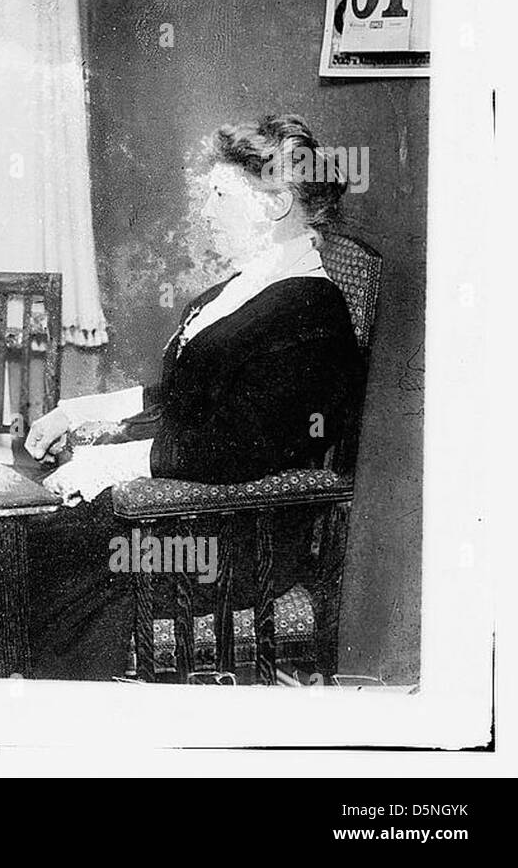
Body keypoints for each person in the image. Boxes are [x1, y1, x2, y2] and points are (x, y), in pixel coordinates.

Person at [23, 114, 365, 680]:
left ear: (276, 204)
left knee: (31, 560)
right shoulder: (247, 287)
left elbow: (244, 445)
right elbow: (196, 392)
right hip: (186, 513)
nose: (205, 211)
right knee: (30, 539)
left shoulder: (311, 311)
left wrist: (115, 461)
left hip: (225, 542)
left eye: (220, 195)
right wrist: (83, 410)